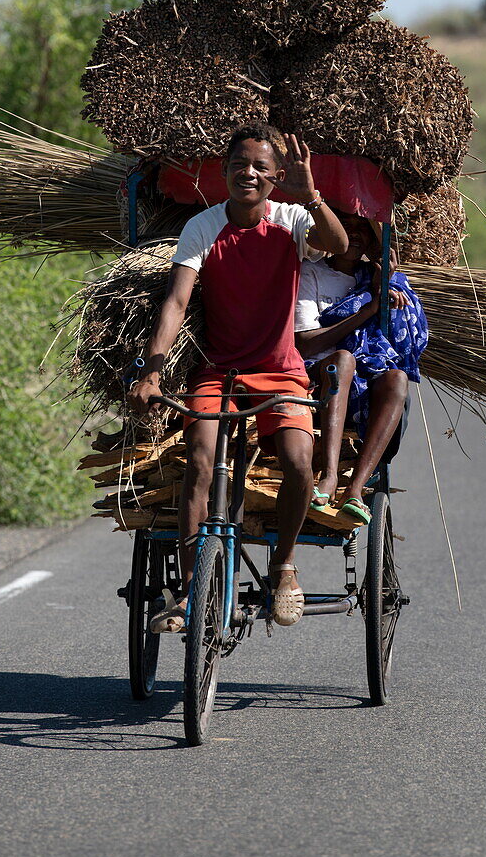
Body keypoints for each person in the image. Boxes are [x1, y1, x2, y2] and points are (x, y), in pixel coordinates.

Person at [128, 123, 348, 630]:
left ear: (275, 176)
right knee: (200, 462)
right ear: (224, 171)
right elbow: (177, 302)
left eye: (259, 167)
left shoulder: (292, 218)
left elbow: (335, 243)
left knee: (298, 462)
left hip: (280, 371)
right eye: (237, 165)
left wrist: (311, 195)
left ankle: (284, 567)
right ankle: (187, 593)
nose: (247, 173)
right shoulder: (203, 227)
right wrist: (152, 371)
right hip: (219, 372)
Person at [294, 211, 428, 524]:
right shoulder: (310, 273)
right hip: (315, 376)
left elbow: (401, 346)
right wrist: (368, 309)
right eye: (345, 226)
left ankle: (354, 487)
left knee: (397, 379)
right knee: (343, 359)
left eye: (361, 229)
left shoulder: (380, 280)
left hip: (363, 381)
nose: (354, 235)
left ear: (372, 242)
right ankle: (328, 477)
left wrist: (386, 289)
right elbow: (306, 345)